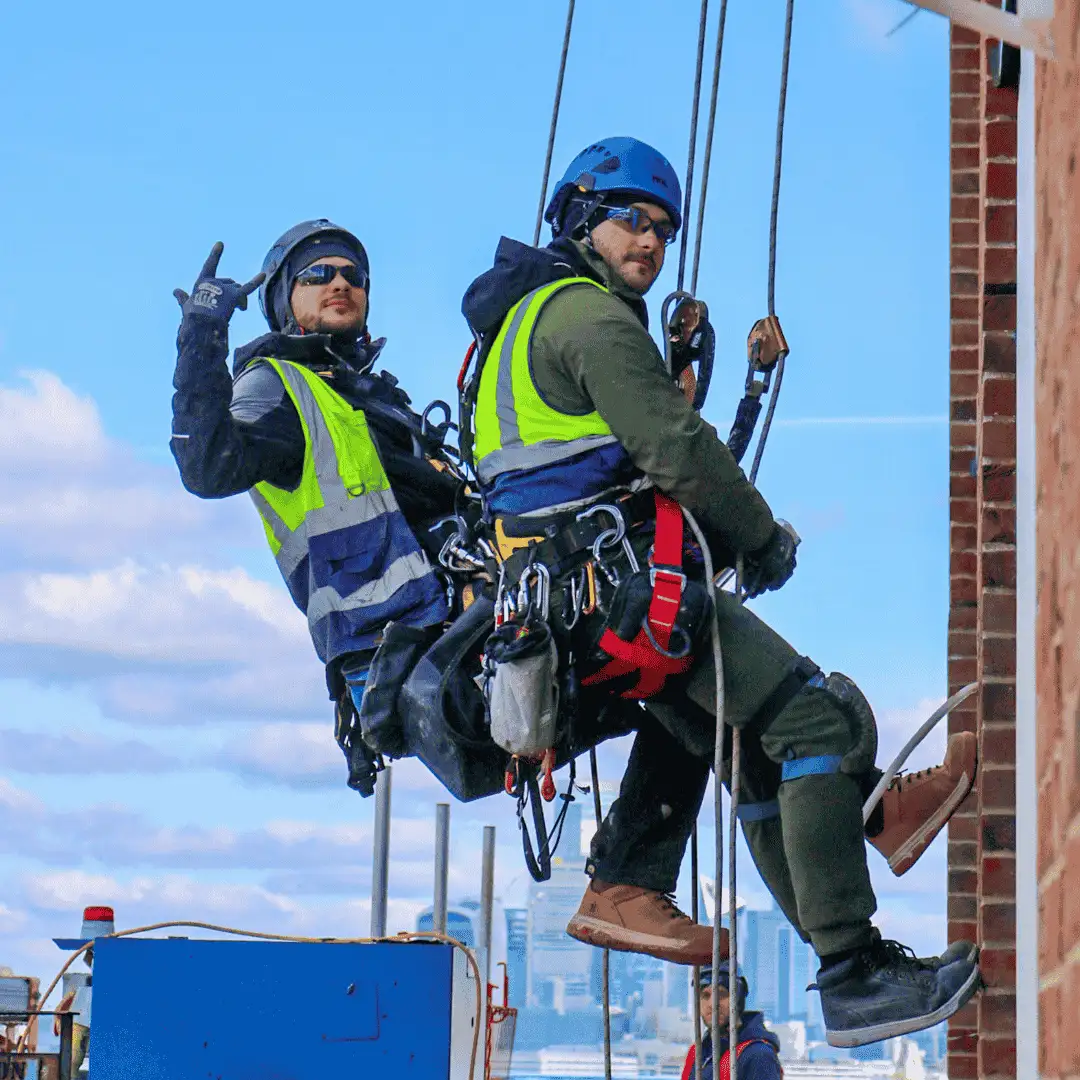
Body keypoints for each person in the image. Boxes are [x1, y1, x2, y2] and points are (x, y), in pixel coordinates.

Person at [459, 137, 981, 1046]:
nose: (652, 242)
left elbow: (592, 456)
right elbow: (676, 452)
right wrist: (762, 538)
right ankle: (853, 967)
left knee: (753, 748)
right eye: (632, 219)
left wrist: (680, 366)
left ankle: (858, 887)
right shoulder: (585, 317)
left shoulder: (506, 334)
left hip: (562, 608)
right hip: (618, 589)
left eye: (664, 228)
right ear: (582, 219)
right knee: (813, 721)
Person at [170, 220, 466, 794]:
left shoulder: (375, 399)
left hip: (454, 620)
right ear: (285, 300)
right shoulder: (276, 386)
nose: (340, 282)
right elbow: (207, 466)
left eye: (354, 275)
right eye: (318, 274)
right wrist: (202, 338)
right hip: (393, 644)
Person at [681, 962, 782, 1080]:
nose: (712, 1004)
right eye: (705, 995)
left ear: (738, 998)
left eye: (722, 994)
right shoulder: (697, 1054)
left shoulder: (758, 1055)